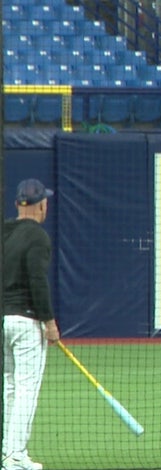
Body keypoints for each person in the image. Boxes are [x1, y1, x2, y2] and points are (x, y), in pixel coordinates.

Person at [2, 179, 57, 470]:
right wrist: (49, 321)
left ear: (17, 204)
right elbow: (37, 280)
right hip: (25, 323)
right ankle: (16, 455)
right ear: (41, 206)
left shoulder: (5, 232)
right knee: (26, 389)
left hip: (3, 320)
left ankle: (7, 453)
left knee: (10, 386)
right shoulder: (38, 237)